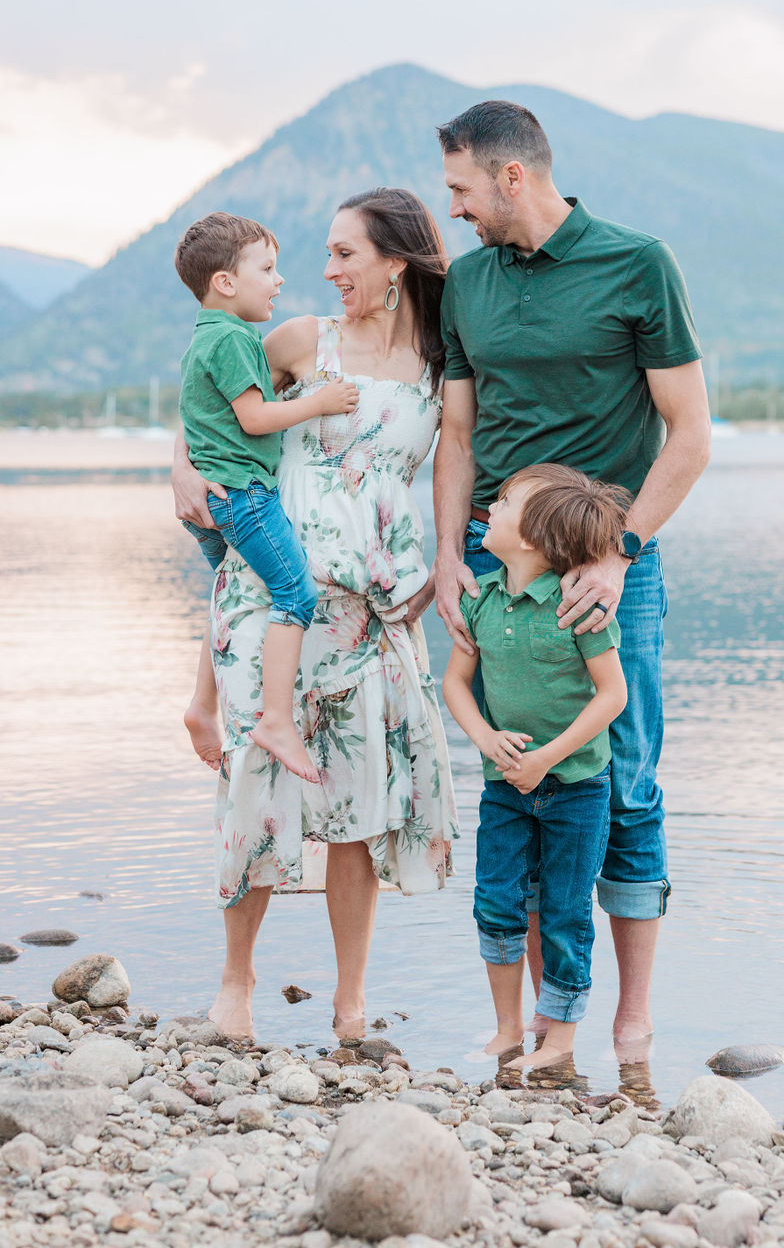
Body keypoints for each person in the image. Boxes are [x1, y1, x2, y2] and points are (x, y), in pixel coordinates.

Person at [433, 100, 711, 1053]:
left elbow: (691, 435)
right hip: (493, 562)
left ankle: (631, 1018)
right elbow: (459, 437)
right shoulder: (465, 283)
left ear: (513, 176)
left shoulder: (638, 264)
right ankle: (556, 1019)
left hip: (610, 565)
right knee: (520, 779)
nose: (456, 209)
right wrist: (445, 555)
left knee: (623, 780)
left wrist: (618, 549)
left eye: (463, 188)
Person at [172, 187, 458, 1040]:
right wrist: (180, 468)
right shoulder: (303, 340)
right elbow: (211, 398)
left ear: (395, 262)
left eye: (344, 254)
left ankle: (350, 1000)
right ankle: (236, 981)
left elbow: (454, 470)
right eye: (326, 254)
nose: (327, 270)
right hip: (277, 596)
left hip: (374, 609)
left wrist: (442, 564)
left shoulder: (444, 363)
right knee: (255, 789)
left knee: (361, 804)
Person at [443, 464, 629, 1071]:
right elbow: (455, 684)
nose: (489, 508)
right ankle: (508, 1029)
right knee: (496, 902)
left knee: (566, 913)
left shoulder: (578, 608)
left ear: (532, 539)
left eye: (503, 502)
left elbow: (613, 696)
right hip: (504, 788)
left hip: (576, 788)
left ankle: (561, 1044)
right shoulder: (481, 600)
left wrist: (547, 757)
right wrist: (486, 738)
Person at [174, 211, 358, 784]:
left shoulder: (211, 335)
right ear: (226, 282)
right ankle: (276, 720)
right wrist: (319, 402)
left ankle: (202, 707)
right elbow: (254, 418)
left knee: (230, 590)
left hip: (220, 500)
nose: (279, 281)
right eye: (268, 269)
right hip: (245, 497)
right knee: (295, 591)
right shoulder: (233, 338)